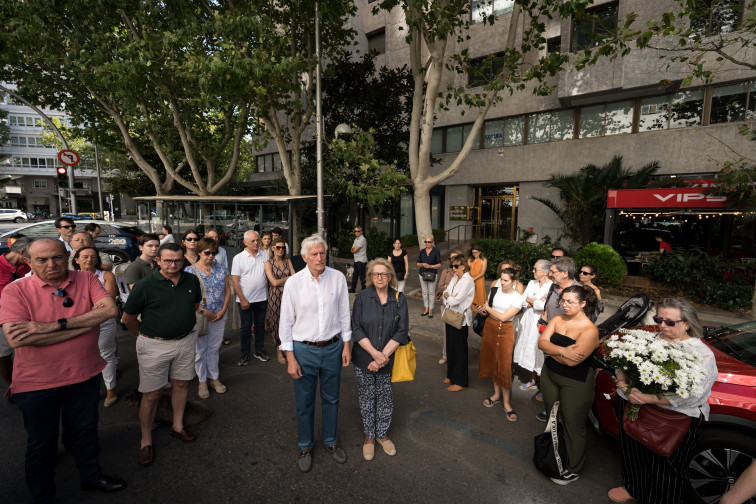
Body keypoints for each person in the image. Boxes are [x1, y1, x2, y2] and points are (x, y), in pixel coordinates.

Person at [0, 239, 126, 500]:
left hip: (84, 374)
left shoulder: (86, 279)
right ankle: (43, 495)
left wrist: (48, 326)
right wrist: (84, 324)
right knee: (41, 444)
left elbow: (110, 310)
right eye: (42, 260)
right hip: (37, 383)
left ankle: (91, 477)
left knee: (86, 430)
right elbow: (17, 339)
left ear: (67, 255)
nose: (51, 264)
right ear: (28, 261)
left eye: (57, 257)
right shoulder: (15, 291)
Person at [608, 298, 718, 504]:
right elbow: (621, 360)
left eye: (669, 322)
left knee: (667, 467)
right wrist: (623, 383)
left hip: (673, 417)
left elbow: (694, 394)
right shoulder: (651, 339)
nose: (662, 325)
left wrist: (646, 397)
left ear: (687, 323)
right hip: (635, 405)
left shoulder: (700, 354)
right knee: (634, 453)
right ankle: (635, 488)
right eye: (659, 319)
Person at [122, 243, 202, 467]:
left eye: (177, 260)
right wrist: (145, 338)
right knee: (152, 394)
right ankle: (145, 441)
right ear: (158, 261)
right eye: (167, 260)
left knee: (181, 384)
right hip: (153, 345)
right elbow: (128, 319)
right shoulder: (144, 286)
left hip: (185, 341)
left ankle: (178, 426)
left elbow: (194, 304)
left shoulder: (191, 280)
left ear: (183, 261)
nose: (173, 264)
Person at [279, 234, 352, 473]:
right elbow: (285, 323)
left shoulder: (338, 278)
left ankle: (330, 441)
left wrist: (347, 345)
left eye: (322, 253)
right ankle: (305, 446)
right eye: (314, 254)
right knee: (305, 403)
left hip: (332, 348)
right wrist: (290, 357)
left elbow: (344, 314)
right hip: (303, 351)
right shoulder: (293, 283)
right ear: (304, 258)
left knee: (332, 399)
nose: (320, 258)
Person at [537, 285, 600, 485]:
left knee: (574, 425)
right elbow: (541, 343)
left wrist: (552, 350)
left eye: (570, 302)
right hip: (549, 376)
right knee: (554, 419)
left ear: (583, 304)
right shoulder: (556, 319)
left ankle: (573, 468)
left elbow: (574, 362)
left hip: (575, 382)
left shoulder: (590, 330)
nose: (565, 305)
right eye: (563, 301)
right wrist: (563, 351)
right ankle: (557, 456)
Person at [351, 258, 408, 460]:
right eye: (375, 274)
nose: (379, 277)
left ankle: (382, 435)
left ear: (390, 276)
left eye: (383, 274)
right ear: (370, 277)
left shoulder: (399, 299)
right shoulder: (362, 297)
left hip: (387, 359)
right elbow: (356, 328)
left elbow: (401, 332)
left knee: (385, 398)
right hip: (364, 358)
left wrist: (383, 357)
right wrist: (375, 355)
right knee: (367, 398)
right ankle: (369, 436)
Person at [72, 246, 119, 407]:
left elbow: (108, 301)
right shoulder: (70, 278)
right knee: (82, 355)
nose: (89, 260)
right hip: (79, 323)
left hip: (104, 322)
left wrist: (83, 307)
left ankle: (111, 389)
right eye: (85, 256)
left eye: (93, 257)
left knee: (106, 354)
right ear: (76, 259)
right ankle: (90, 388)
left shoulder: (106, 275)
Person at [535, 256, 581, 421]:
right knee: (551, 380)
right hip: (550, 340)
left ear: (565, 274)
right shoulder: (553, 287)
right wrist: (543, 321)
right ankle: (551, 412)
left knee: (564, 382)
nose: (550, 274)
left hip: (568, 344)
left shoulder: (581, 292)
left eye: (553, 272)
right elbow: (548, 307)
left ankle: (564, 414)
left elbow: (589, 321)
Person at [474, 264, 523, 419]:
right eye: (501, 279)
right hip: (490, 328)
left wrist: (488, 309)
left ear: (514, 281)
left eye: (506, 280)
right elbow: (488, 308)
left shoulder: (518, 297)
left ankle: (507, 403)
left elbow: (504, 317)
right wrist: (483, 310)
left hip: (506, 330)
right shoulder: (495, 290)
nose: (501, 283)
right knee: (492, 362)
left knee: (504, 365)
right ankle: (496, 395)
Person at [186, 238, 231, 399]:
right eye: (207, 253)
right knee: (200, 350)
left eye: (214, 253)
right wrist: (204, 311)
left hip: (220, 314)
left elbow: (227, 291)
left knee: (214, 348)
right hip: (200, 316)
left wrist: (224, 309)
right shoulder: (189, 271)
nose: (211, 256)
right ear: (199, 252)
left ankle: (215, 378)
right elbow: (188, 297)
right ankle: (202, 381)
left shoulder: (221, 269)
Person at [231, 230, 269, 365]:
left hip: (262, 298)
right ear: (245, 242)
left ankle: (259, 350)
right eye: (252, 241)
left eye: (257, 240)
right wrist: (242, 299)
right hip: (245, 300)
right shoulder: (238, 258)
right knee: (245, 328)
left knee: (260, 327)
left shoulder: (265, 255)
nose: (256, 243)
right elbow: (235, 281)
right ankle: (245, 354)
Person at [514, 259, 552, 391]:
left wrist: (532, 301)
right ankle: (533, 379)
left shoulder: (552, 286)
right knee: (529, 348)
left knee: (538, 349)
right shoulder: (532, 283)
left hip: (540, 321)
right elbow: (523, 300)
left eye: (535, 269)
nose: (533, 271)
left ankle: (544, 385)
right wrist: (534, 301)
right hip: (528, 319)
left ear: (545, 272)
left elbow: (544, 305)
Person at [0, 237, 32, 390]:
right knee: (3, 356)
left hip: (27, 318)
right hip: (2, 319)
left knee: (29, 352)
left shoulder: (27, 266)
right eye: (30, 256)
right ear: (22, 252)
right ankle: (14, 387)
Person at [441, 255, 475, 392]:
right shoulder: (455, 278)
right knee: (450, 347)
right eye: (451, 266)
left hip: (461, 318)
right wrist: (449, 297)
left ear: (463, 266)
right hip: (450, 316)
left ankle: (461, 381)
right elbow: (444, 292)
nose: (453, 269)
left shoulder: (467, 280)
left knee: (459, 350)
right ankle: (451, 375)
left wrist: (449, 297)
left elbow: (456, 300)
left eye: (456, 266)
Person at [265, 237, 295, 365]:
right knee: (276, 323)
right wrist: (288, 278)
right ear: (273, 248)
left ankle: (289, 349)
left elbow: (295, 278)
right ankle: (278, 350)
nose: (281, 250)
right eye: (278, 247)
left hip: (289, 294)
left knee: (291, 321)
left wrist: (284, 280)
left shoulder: (288, 261)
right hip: (275, 295)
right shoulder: (268, 263)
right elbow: (274, 282)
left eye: (283, 247)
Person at [435, 248, 462, 365]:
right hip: (445, 306)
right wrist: (447, 287)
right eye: (451, 258)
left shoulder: (464, 273)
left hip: (459, 307)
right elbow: (440, 287)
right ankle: (445, 355)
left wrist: (448, 288)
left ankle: (457, 355)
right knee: (446, 331)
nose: (453, 261)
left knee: (458, 332)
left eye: (456, 258)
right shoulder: (445, 271)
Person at [418, 234, 442, 318]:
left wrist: (430, 266)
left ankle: (431, 310)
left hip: (432, 274)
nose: (427, 243)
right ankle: (426, 309)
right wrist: (422, 264)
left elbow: (439, 264)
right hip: (422, 274)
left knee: (431, 293)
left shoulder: (436, 251)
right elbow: (417, 263)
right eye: (426, 242)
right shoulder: (422, 251)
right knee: (424, 292)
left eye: (429, 242)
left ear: (432, 242)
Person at [468, 245, 488, 309]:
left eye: (476, 252)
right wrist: (471, 279)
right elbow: (468, 271)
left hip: (479, 280)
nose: (474, 254)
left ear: (480, 252)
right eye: (473, 253)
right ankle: (470, 315)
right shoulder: (470, 260)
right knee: (471, 297)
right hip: (471, 279)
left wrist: (474, 279)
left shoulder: (484, 260)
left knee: (480, 297)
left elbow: (482, 273)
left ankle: (481, 315)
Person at [349, 226, 367, 293]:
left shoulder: (362, 239)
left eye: (358, 231)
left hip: (361, 260)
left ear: (361, 231)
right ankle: (353, 289)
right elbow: (351, 249)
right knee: (355, 275)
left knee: (362, 277)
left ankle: (364, 291)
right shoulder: (356, 239)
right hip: (356, 260)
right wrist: (353, 249)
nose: (356, 232)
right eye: (355, 231)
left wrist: (353, 249)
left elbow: (355, 250)